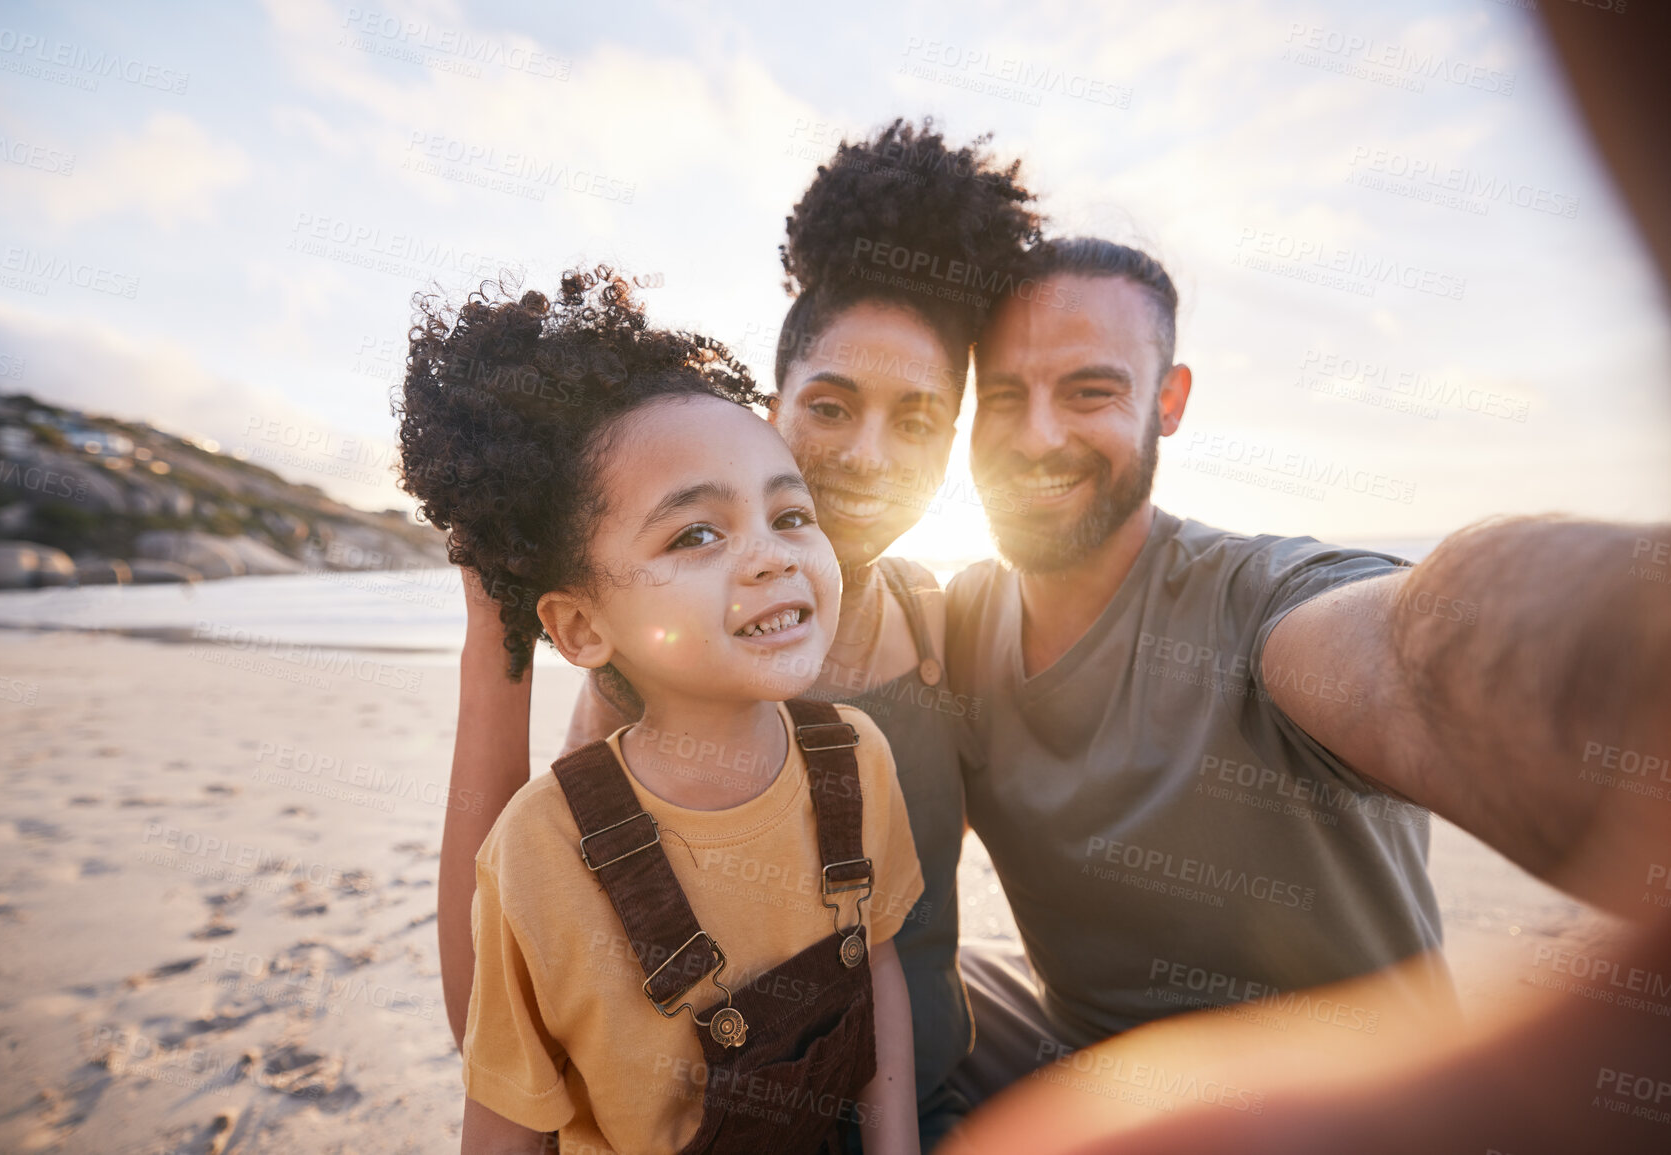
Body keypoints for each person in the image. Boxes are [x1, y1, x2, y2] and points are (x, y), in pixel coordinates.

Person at [940, 232, 1671, 1129]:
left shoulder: (1261, 606)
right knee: (851, 985)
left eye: (1090, 390)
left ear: (1168, 402)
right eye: (1004, 395)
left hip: (1358, 1109)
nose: (1037, 433)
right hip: (1079, 1056)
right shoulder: (962, 625)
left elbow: (1423, 652)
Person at [436, 119, 1042, 1152]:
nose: (867, 454)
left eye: (918, 420)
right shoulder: (657, 674)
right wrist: (494, 631)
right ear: (770, 408)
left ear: (953, 442)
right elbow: (503, 1004)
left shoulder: (947, 628)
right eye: (832, 404)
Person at [398, 267, 924, 1155]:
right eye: (695, 534)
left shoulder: (856, 761)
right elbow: (505, 1112)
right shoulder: (539, 847)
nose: (770, 556)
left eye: (790, 513)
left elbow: (875, 972)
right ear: (577, 624)